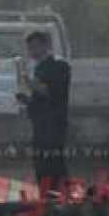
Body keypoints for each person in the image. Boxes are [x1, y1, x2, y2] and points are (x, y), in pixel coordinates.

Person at [16, 30, 70, 196]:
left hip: (53, 124)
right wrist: (26, 100)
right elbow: (40, 98)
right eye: (29, 48)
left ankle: (60, 200)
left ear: (46, 45)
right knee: (41, 164)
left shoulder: (59, 65)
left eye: (34, 47)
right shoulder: (39, 67)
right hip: (40, 123)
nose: (31, 51)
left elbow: (53, 94)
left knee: (53, 163)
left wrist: (31, 84)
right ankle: (47, 200)